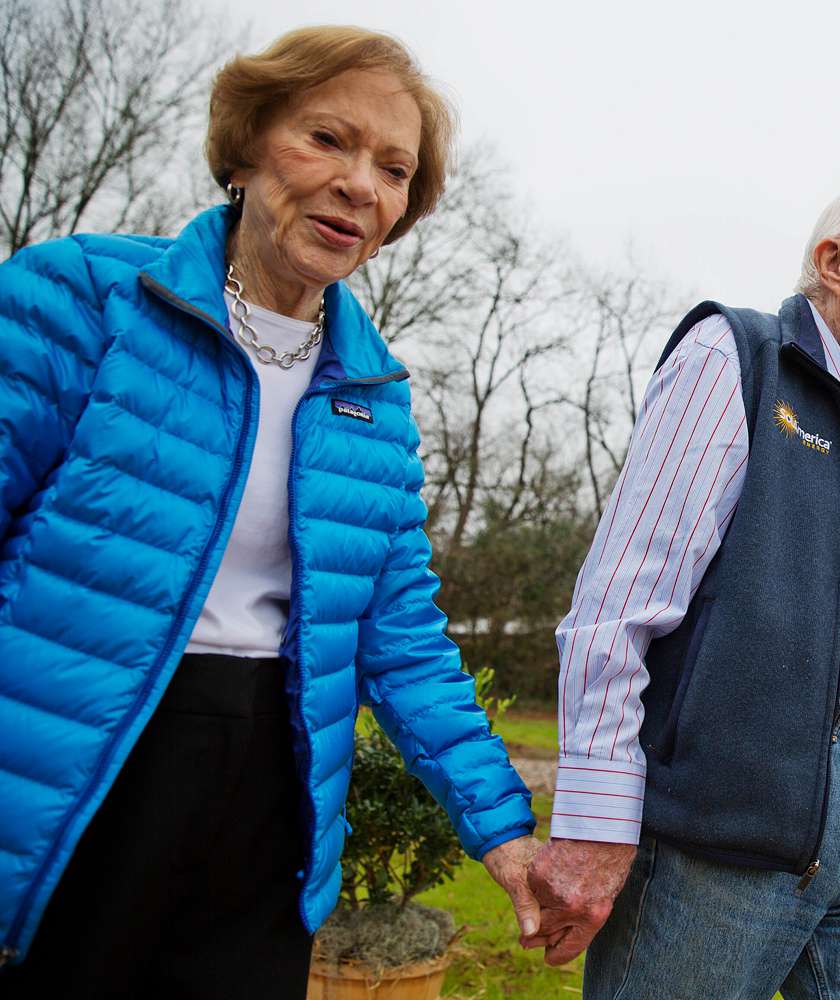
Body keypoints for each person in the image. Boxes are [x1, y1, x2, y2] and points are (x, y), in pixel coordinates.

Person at [0, 27, 541, 995]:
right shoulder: (80, 297)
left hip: (269, 801)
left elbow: (402, 637)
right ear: (246, 145)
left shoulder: (372, 396)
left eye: (393, 169)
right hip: (77, 775)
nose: (359, 185)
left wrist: (502, 829)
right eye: (327, 140)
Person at [526, 175, 840, 998]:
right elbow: (614, 611)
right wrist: (594, 824)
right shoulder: (737, 357)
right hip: (730, 812)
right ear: (833, 262)